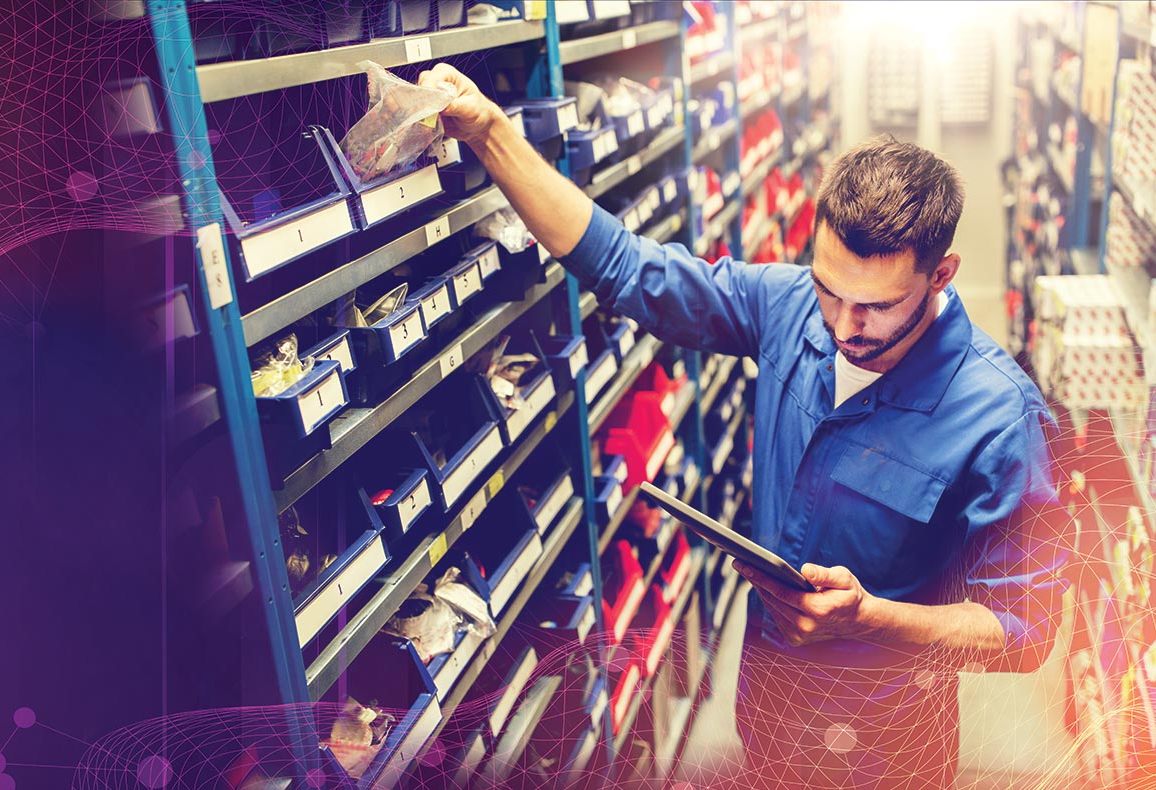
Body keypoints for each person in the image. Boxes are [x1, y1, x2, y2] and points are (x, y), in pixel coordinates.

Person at [419, 63, 1069, 788]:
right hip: (767, 702)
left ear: (941, 275)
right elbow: (629, 269)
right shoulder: (788, 305)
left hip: (891, 743)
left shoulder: (999, 415)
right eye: (828, 288)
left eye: (876, 306)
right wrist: (491, 131)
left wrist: (873, 620)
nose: (844, 326)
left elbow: (1023, 632)